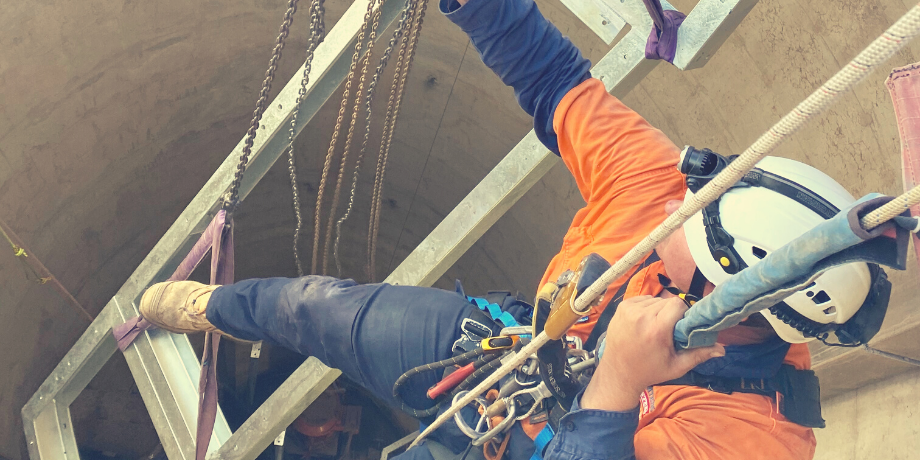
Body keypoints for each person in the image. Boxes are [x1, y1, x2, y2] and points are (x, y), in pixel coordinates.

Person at [139, 0, 883, 457]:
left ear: (729, 299)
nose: (673, 209)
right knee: (320, 309)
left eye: (691, 220)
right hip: (499, 354)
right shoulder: (660, 185)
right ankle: (218, 309)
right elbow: (554, 79)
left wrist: (619, 383)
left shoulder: (752, 439)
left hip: (529, 438)